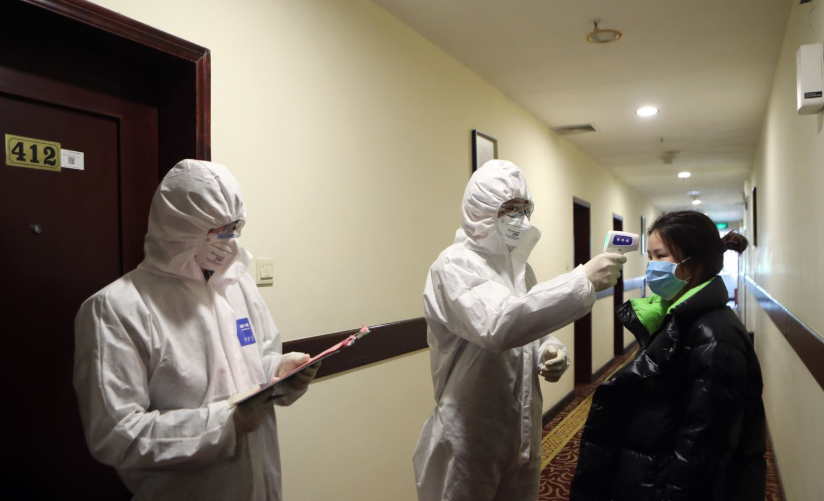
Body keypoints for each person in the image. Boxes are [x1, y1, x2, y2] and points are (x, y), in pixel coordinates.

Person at [73, 159, 319, 501]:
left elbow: (254, 362)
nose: (230, 242)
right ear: (179, 226)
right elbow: (117, 434)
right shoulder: (117, 308)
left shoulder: (237, 285)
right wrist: (224, 424)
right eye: (219, 231)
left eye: (235, 228)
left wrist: (279, 370)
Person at [413, 160, 627, 501]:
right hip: (471, 430)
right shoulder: (454, 265)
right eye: (510, 208)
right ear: (480, 209)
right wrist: (581, 279)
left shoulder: (519, 269)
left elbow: (528, 323)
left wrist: (549, 348)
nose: (521, 218)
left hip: (522, 425)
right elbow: (498, 326)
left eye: (526, 208)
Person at [570, 210, 766, 501]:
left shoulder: (716, 337)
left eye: (661, 256)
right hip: (651, 473)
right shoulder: (673, 317)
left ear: (697, 262)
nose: (652, 267)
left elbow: (701, 451)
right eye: (650, 257)